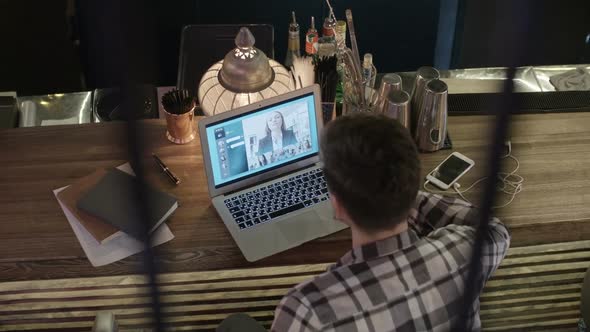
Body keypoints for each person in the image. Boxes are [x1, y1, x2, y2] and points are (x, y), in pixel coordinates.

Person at [217, 113, 510, 331]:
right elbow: (496, 229)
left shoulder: (307, 311)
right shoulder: (463, 255)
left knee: (235, 325)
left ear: (338, 205)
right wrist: (400, 191)